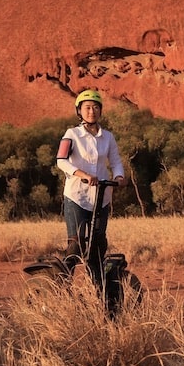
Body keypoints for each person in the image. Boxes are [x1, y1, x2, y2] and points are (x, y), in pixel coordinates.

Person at [55, 89, 126, 283]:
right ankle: (62, 284)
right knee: (76, 245)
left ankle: (97, 286)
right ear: (79, 111)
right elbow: (61, 160)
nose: (91, 111)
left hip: (101, 196)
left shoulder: (108, 137)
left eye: (95, 107)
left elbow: (116, 161)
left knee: (98, 244)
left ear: (101, 110)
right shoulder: (72, 134)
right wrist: (83, 174)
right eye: (87, 107)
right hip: (77, 196)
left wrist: (119, 176)